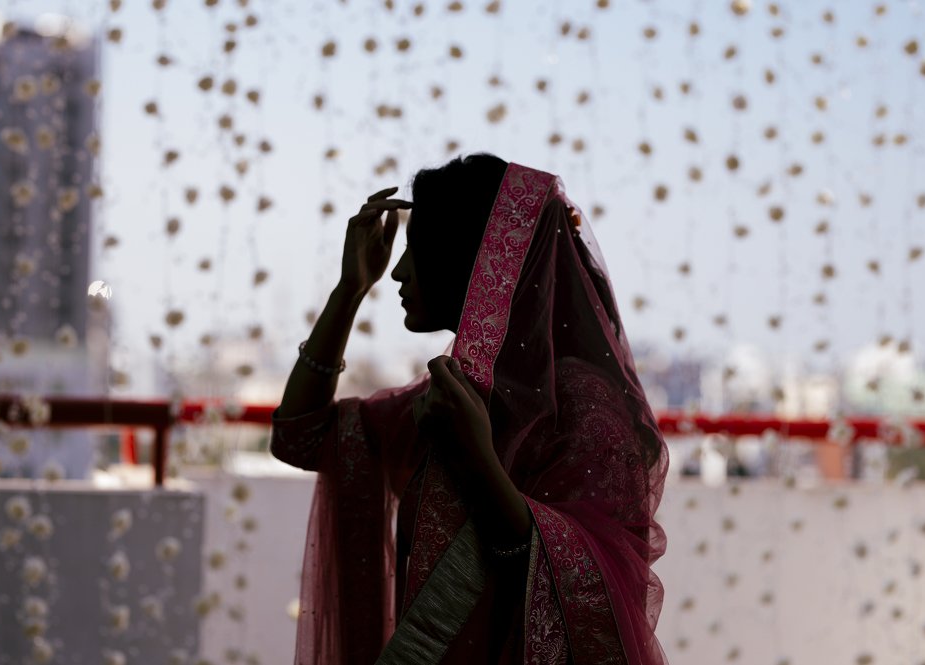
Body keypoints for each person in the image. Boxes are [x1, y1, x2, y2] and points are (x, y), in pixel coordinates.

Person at [270, 154, 669, 665]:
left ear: (472, 259)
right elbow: (300, 438)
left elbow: (595, 603)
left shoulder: (582, 408)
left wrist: (478, 460)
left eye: (416, 249)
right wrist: (349, 290)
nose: (397, 271)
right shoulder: (459, 396)